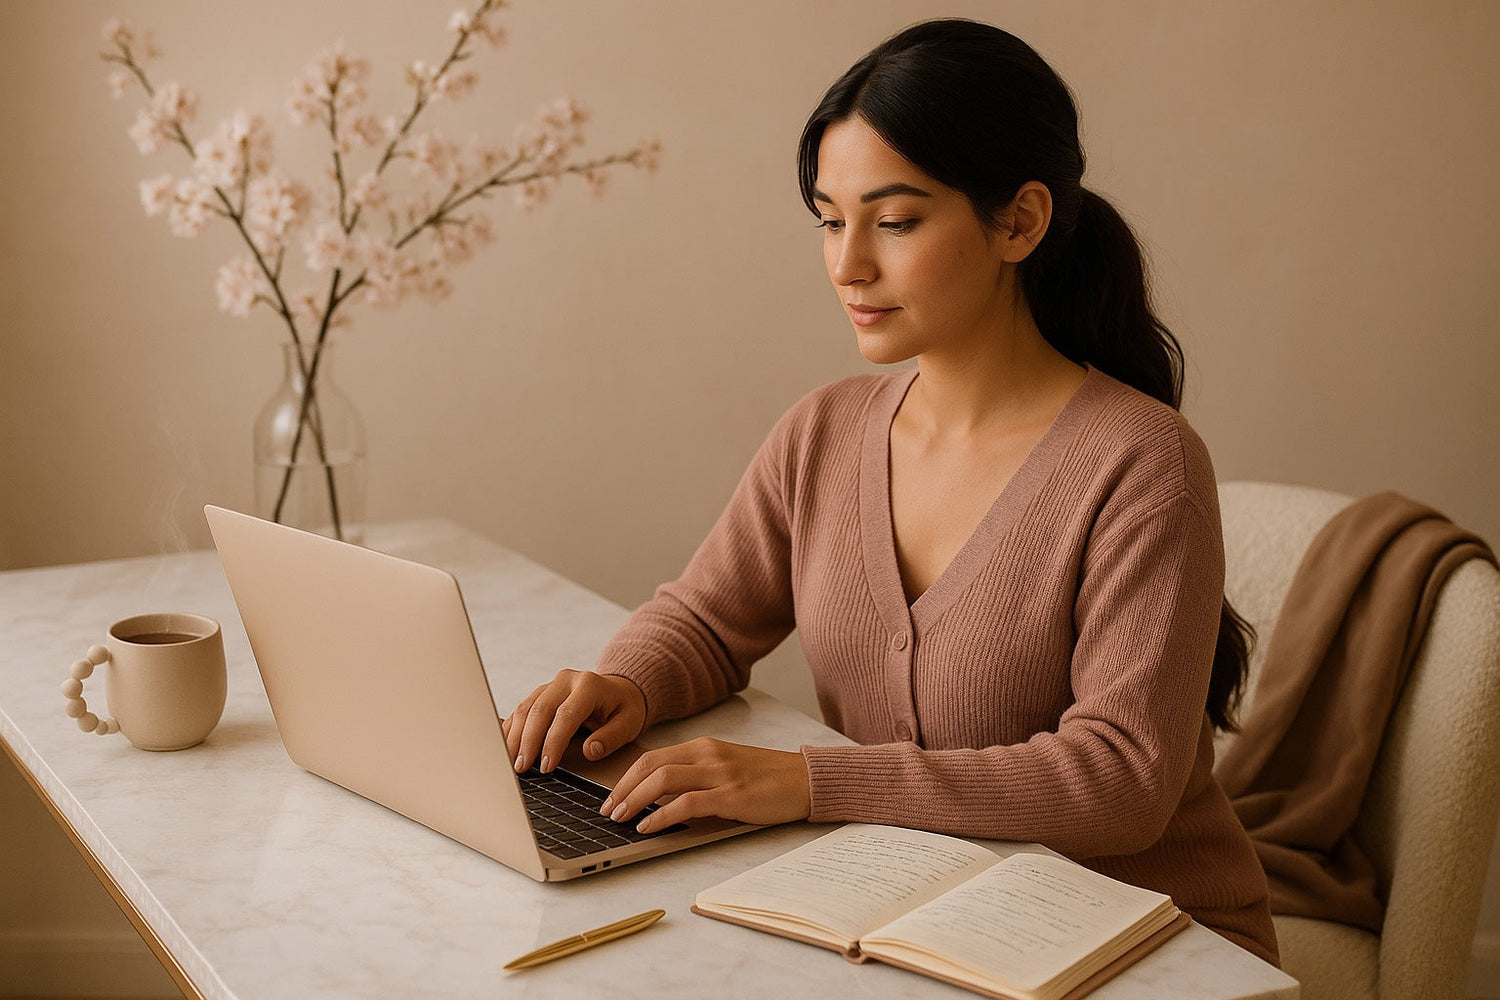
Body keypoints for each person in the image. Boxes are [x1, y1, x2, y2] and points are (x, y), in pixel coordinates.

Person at [502, 18, 1278, 965]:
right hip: (920, 922)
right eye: (831, 220)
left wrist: (812, 783)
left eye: (895, 221)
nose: (848, 265)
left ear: (1020, 222)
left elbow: (1120, 781)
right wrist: (625, 682)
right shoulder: (825, 431)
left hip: (1152, 945)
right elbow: (707, 619)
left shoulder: (1142, 464)